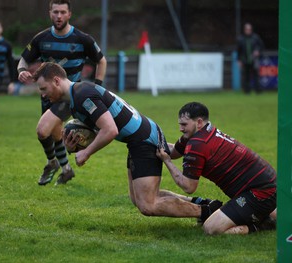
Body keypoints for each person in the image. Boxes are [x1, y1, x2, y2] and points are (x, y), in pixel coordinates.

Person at [32, 62, 223, 223]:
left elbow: (110, 130)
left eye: (43, 88)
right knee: (138, 199)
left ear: (56, 81)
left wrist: (87, 152)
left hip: (143, 139)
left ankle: (208, 213)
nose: (42, 94)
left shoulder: (83, 94)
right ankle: (201, 203)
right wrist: (75, 146)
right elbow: (96, 130)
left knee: (148, 205)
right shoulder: (76, 97)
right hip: (139, 138)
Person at [17, 0, 107, 185]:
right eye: (55, 12)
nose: (59, 16)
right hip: (48, 95)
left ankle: (52, 163)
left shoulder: (83, 39)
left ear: (69, 14)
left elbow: (101, 60)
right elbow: (23, 60)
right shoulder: (41, 38)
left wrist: (97, 86)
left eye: (62, 12)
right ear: (50, 13)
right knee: (54, 133)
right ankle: (66, 169)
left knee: (43, 131)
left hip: (70, 95)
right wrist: (21, 71)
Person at [156, 102, 277, 235]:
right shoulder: (204, 132)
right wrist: (151, 143)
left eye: (184, 124)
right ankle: (261, 214)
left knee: (211, 228)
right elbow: (174, 152)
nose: (180, 128)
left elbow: (188, 187)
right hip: (269, 185)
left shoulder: (198, 144)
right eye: (180, 124)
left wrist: (166, 161)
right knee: (276, 214)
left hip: (259, 193)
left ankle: (260, 226)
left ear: (199, 122)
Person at [236, 23, 264, 94]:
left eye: (249, 29)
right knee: (246, 77)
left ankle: (258, 91)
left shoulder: (256, 38)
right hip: (245, 60)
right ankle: (247, 91)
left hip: (254, 60)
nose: (248, 30)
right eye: (246, 29)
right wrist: (239, 60)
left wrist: (258, 51)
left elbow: (261, 46)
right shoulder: (241, 39)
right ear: (244, 30)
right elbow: (238, 51)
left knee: (256, 76)